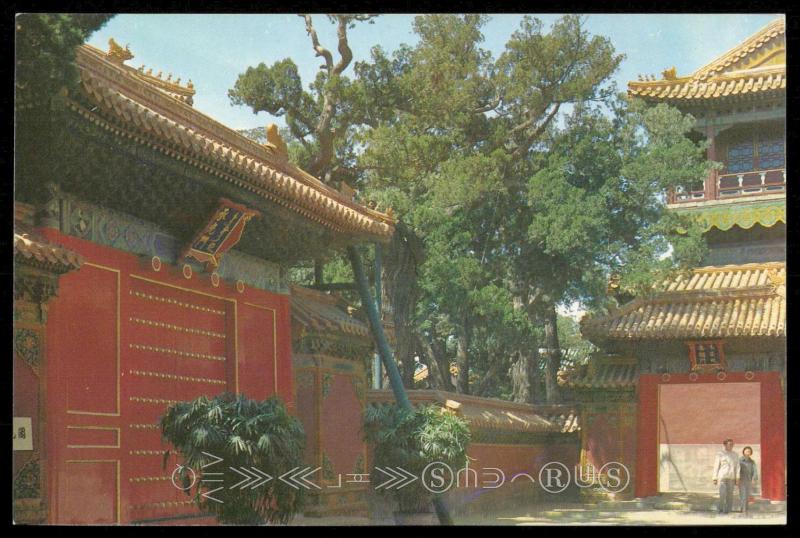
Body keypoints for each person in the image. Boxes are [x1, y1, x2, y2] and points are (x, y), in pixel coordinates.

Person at [712, 438, 739, 514]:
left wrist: (737, 478)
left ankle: (728, 510)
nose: (731, 446)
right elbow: (716, 466)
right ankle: (720, 509)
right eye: (730, 444)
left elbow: (737, 467)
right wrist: (714, 477)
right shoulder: (720, 454)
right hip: (722, 477)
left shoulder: (735, 454)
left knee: (730, 495)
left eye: (732, 444)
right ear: (725, 445)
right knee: (722, 494)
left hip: (731, 477)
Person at [739, 446, 758, 515]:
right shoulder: (740, 461)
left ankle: (746, 509)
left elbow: (755, 471)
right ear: (743, 452)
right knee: (743, 495)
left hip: (749, 481)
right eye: (746, 451)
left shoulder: (752, 462)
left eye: (749, 451)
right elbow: (737, 470)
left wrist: (754, 479)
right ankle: (743, 510)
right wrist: (737, 479)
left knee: (747, 496)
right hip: (741, 480)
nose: (748, 453)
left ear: (751, 453)